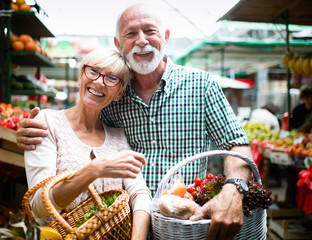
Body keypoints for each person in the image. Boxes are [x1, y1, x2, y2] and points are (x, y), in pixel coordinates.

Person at [17, 4, 252, 240]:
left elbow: (236, 142)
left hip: (185, 226)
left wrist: (234, 189)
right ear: (119, 44)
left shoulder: (201, 85)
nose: (141, 41)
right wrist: (26, 129)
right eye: (130, 33)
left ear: (166, 37)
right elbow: (76, 130)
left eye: (150, 31)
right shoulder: (111, 96)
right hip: (121, 228)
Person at [24, 49, 151, 240]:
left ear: (119, 92)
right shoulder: (47, 122)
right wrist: (94, 169)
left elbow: (140, 193)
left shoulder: (117, 138)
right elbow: (39, 206)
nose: (99, 81)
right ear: (80, 76)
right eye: (93, 71)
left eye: (111, 78)